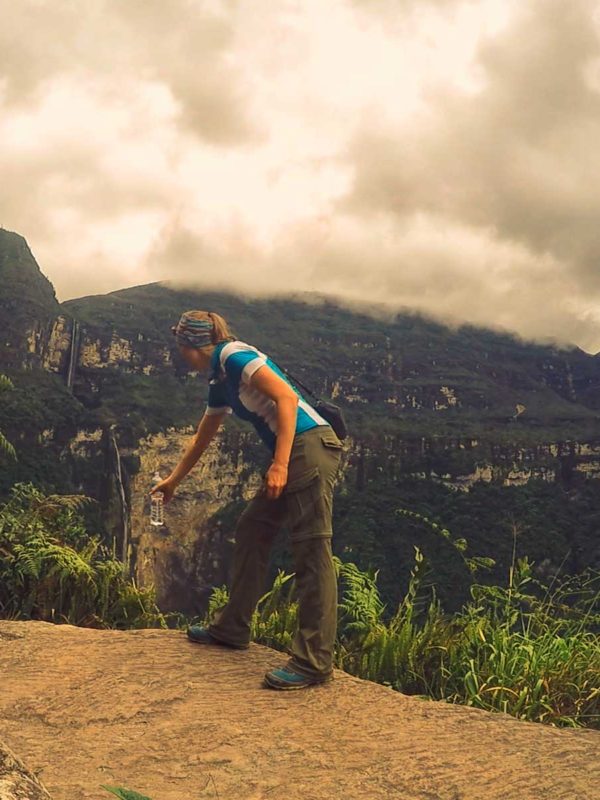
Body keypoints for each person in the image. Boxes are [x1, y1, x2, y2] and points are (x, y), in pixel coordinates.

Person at [149, 309, 344, 690]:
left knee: (311, 548)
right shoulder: (219, 378)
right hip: (294, 452)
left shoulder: (234, 355)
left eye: (179, 344)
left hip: (309, 448)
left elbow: (286, 399)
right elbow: (202, 435)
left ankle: (313, 660)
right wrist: (173, 480)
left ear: (188, 344)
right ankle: (232, 627)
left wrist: (280, 464)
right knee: (252, 529)